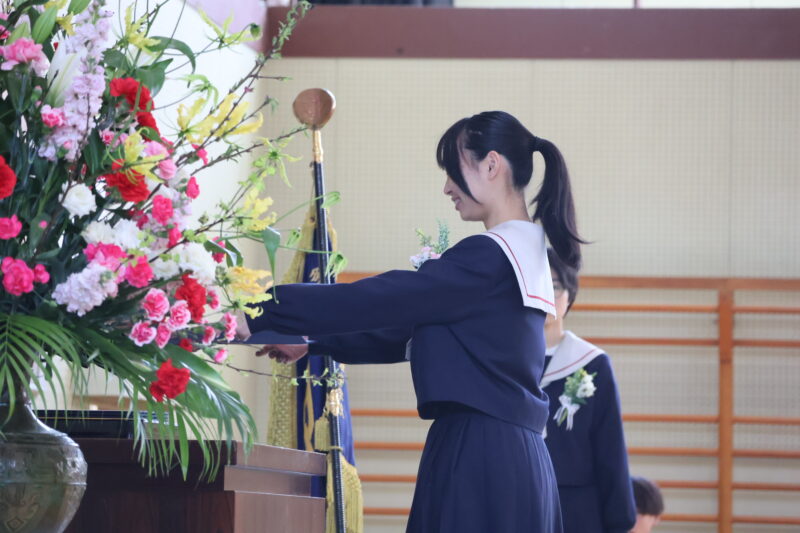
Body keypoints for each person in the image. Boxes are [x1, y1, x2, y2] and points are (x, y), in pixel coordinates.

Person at [239, 111, 583, 533]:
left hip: (482, 456)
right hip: (511, 456)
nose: (447, 187)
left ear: (491, 165)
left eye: (453, 170)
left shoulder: (490, 256)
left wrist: (262, 310)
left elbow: (385, 299)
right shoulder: (520, 255)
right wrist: (311, 341)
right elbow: (407, 333)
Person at [540, 248, 637, 533]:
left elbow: (610, 447)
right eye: (536, 284)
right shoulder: (502, 362)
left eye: (554, 286)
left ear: (570, 294)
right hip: (516, 499)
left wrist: (619, 519)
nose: (545, 295)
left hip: (576, 507)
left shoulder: (592, 363)